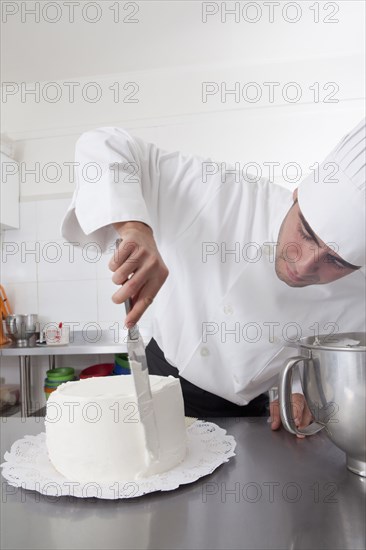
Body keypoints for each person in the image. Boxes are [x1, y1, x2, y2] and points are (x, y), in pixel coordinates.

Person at [61, 119, 365, 435]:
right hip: (155, 383)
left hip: (248, 418)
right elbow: (103, 143)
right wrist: (134, 227)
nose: (304, 266)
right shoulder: (222, 190)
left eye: (336, 262)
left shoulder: (361, 297)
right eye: (305, 233)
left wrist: (302, 393)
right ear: (298, 194)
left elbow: (325, 363)